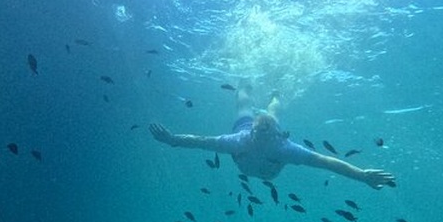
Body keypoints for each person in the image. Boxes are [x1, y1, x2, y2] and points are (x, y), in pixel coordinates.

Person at [149, 85, 396, 189]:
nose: (261, 136)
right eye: (258, 132)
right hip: (249, 143)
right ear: (254, 132)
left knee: (273, 111)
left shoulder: (285, 149)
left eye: (266, 132)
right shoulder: (240, 139)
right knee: (244, 108)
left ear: (276, 135)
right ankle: (244, 84)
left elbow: (327, 162)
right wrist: (172, 140)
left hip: (261, 164)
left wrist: (362, 176)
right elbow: (201, 142)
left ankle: (276, 94)